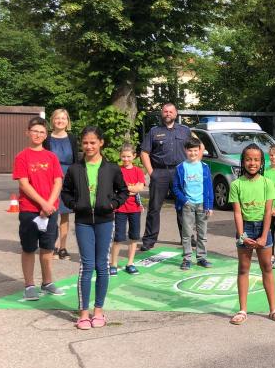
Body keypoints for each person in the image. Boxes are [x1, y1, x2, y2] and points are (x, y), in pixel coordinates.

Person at [61, 126, 129, 330]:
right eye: (85, 143)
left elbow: (123, 191)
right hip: (83, 222)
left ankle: (98, 311)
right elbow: (65, 193)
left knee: (102, 265)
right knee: (86, 265)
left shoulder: (112, 169)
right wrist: (75, 205)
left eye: (93, 142)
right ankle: (83, 313)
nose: (89, 146)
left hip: (105, 221)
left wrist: (112, 204)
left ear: (101, 143)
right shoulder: (75, 169)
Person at [228, 143, 275, 325]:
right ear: (243, 161)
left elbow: (268, 211)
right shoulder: (236, 184)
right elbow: (237, 213)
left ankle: (273, 309)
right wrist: (242, 235)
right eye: (248, 159)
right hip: (245, 229)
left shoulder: (267, 183)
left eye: (256, 159)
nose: (252, 163)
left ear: (261, 162)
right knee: (243, 269)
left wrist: (263, 235)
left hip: (263, 229)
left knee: (267, 268)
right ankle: (242, 310)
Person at [12, 116, 65, 301]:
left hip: (50, 210)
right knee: (28, 248)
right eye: (35, 131)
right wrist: (42, 204)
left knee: (48, 247)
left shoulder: (51, 157)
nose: (38, 135)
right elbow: (24, 184)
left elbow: (58, 181)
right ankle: (29, 285)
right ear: (28, 132)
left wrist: (49, 204)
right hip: (29, 210)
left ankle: (47, 282)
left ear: (46, 135)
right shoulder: (22, 156)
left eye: (42, 132)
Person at [139, 102, 190, 251]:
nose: (168, 114)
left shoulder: (185, 130)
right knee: (154, 208)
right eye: (165, 111)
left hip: (179, 173)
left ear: (176, 114)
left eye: (171, 111)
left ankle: (186, 238)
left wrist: (192, 167)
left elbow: (197, 148)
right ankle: (149, 241)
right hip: (159, 173)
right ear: (162, 113)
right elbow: (144, 153)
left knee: (183, 207)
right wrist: (151, 173)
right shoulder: (154, 131)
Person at [172, 137, 214, 270]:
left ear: (200, 151)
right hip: (187, 205)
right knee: (187, 234)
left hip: (202, 204)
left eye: (196, 151)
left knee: (202, 234)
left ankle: (201, 257)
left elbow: (209, 188)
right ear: (185, 150)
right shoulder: (180, 168)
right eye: (190, 151)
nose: (193, 153)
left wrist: (209, 206)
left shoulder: (205, 167)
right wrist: (184, 201)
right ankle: (187, 259)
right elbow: (176, 187)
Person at [43, 108, 78, 260]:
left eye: (63, 118)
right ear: (53, 120)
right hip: (50, 179)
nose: (60, 121)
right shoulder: (47, 139)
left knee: (65, 215)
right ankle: (50, 245)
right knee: (51, 213)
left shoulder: (72, 138)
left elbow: (76, 160)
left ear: (67, 121)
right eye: (57, 118)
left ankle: (62, 247)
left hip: (68, 179)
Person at [109, 143, 145, 275]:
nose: (126, 159)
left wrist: (125, 189)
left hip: (134, 208)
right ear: (120, 156)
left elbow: (139, 188)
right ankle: (113, 264)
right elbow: (115, 188)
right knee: (118, 238)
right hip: (120, 209)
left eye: (129, 156)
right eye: (123, 156)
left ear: (134, 156)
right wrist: (130, 189)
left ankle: (130, 263)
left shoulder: (138, 171)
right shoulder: (117, 170)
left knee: (134, 237)